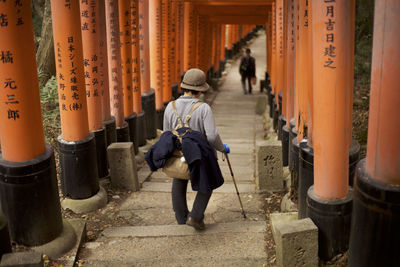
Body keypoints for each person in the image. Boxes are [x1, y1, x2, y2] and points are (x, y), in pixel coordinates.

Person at [163, 68, 230, 230]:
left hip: (179, 154)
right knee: (208, 183)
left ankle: (181, 217)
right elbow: (212, 136)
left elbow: (166, 134)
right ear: (200, 90)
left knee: (179, 179)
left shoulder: (170, 107)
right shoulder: (203, 108)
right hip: (201, 155)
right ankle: (196, 216)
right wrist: (222, 148)